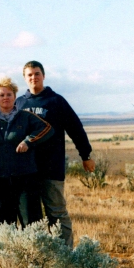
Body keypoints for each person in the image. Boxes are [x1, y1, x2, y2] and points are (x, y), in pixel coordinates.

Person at [15, 61, 95, 248]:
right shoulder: (19, 103)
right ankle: (39, 256)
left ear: (43, 76)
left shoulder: (56, 101)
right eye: (29, 75)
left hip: (51, 167)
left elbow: (76, 128)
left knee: (57, 213)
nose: (33, 77)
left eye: (37, 73)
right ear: (24, 78)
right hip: (26, 171)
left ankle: (64, 255)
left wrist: (86, 155)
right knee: (31, 217)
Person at [0, 77, 53, 228]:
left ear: (15, 97)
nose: (5, 98)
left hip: (25, 177)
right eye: (1, 95)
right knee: (5, 222)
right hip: (0, 178)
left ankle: (33, 252)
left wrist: (28, 141)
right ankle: (10, 251)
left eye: (9, 94)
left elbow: (47, 128)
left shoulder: (25, 116)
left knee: (31, 221)